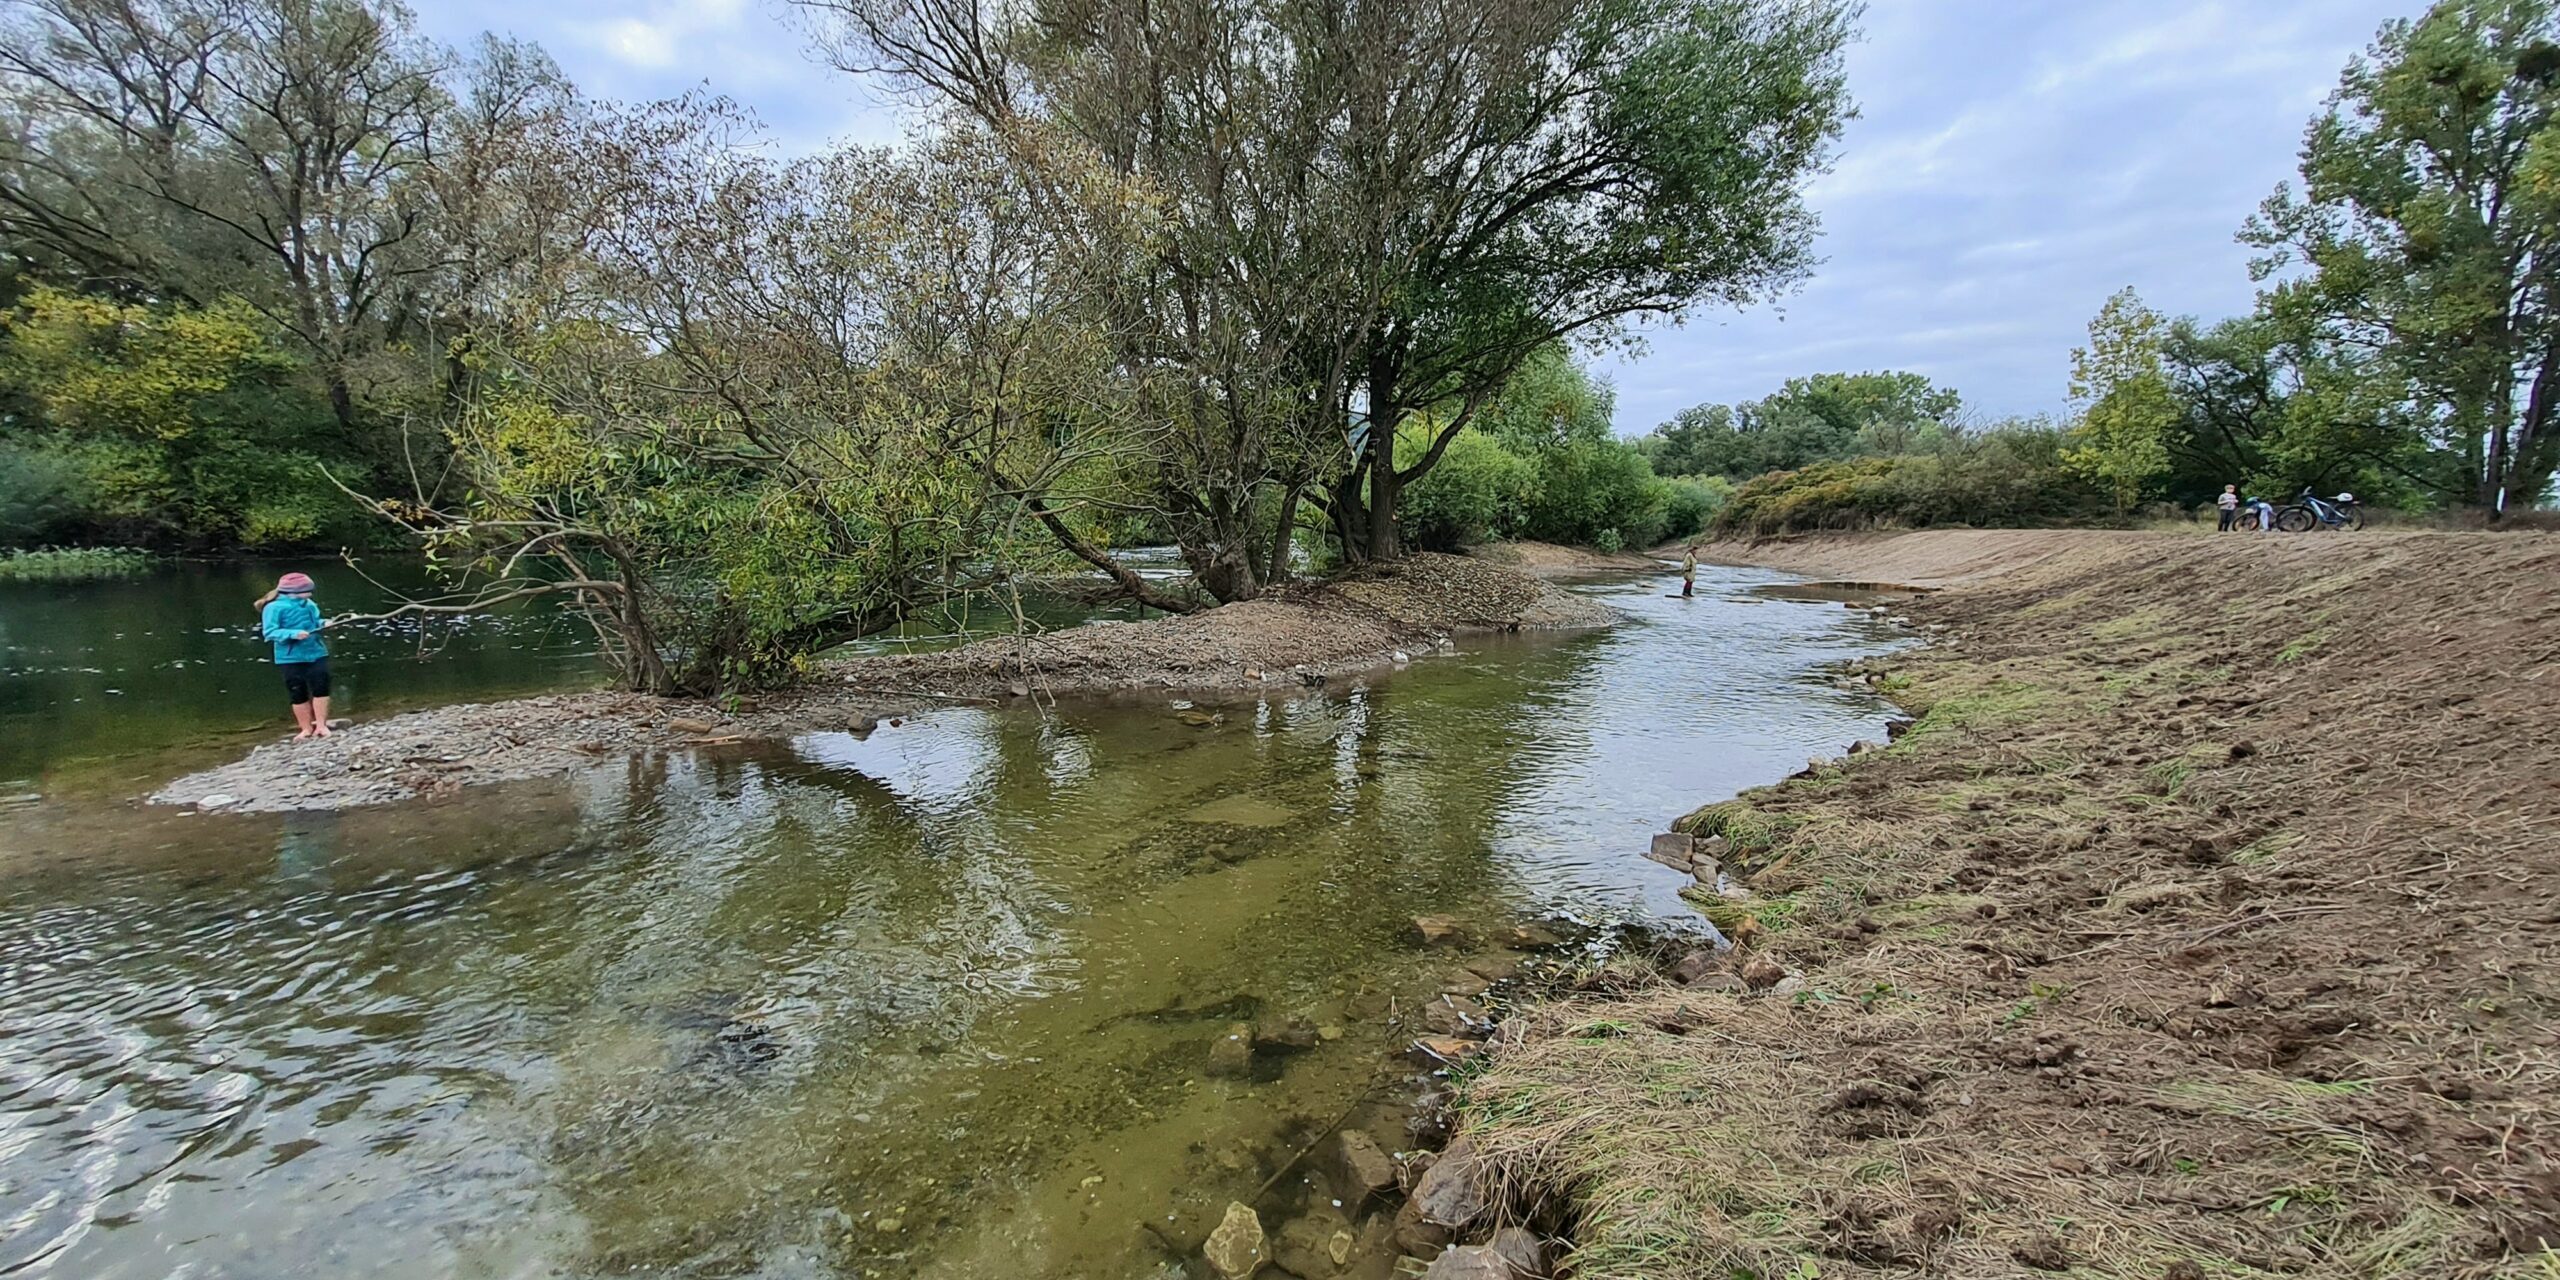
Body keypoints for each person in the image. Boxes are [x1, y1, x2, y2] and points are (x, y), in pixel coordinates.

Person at [261, 571, 333, 739]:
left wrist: (325, 623)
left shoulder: (309, 604)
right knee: (297, 692)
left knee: (321, 689)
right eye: (307, 590)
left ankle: (321, 726)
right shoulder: (273, 607)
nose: (310, 593)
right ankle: (306, 729)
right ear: (292, 591)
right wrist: (293, 634)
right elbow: (270, 632)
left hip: (316, 653)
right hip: (289, 657)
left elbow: (317, 621)